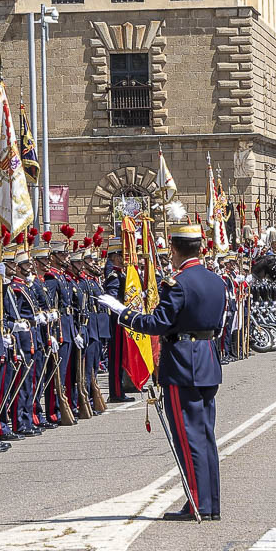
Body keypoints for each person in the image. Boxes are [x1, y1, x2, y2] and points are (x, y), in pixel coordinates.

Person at [100, 223, 225, 522]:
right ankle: (210, 503)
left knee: (188, 437)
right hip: (207, 359)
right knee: (205, 435)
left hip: (183, 363)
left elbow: (157, 323)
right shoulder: (216, 281)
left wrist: (122, 312)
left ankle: (198, 503)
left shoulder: (177, 284)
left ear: (175, 250)